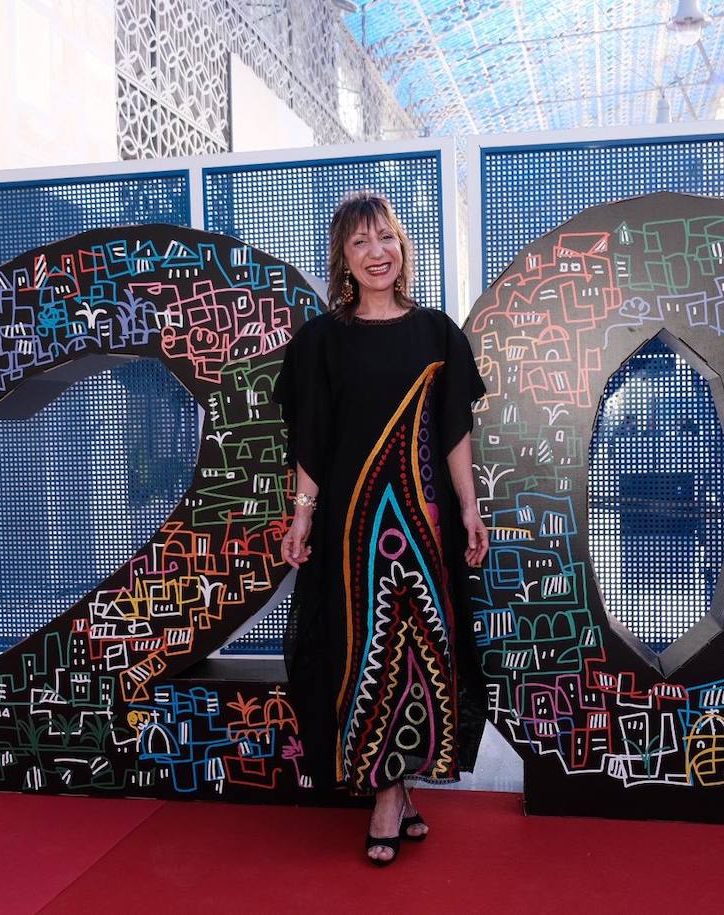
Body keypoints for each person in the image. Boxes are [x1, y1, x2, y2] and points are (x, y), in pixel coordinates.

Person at [272, 190, 490, 866]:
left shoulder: (436, 335)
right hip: (351, 533)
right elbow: (310, 441)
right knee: (365, 657)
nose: (376, 253)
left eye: (386, 238)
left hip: (423, 526)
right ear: (342, 255)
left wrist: (469, 506)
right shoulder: (321, 342)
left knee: (422, 655)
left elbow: (453, 430)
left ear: (403, 248)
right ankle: (392, 789)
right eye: (361, 242)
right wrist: (302, 516)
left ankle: (393, 790)